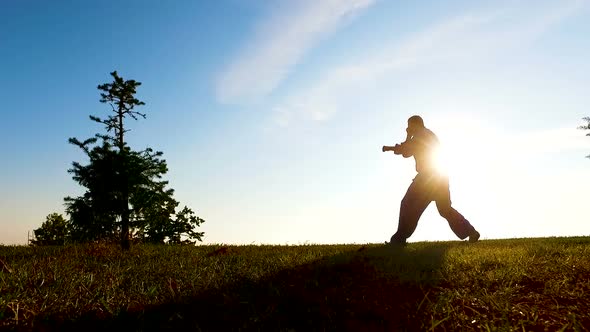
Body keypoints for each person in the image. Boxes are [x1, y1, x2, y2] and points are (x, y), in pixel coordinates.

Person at [382, 115, 480, 245]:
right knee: (445, 209)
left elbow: (406, 152)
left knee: (408, 204)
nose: (407, 128)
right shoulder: (425, 134)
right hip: (440, 176)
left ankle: (399, 239)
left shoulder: (420, 136)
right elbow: (407, 150)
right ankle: (471, 232)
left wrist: (406, 138)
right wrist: (407, 139)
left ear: (414, 125)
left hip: (427, 178)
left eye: (409, 125)